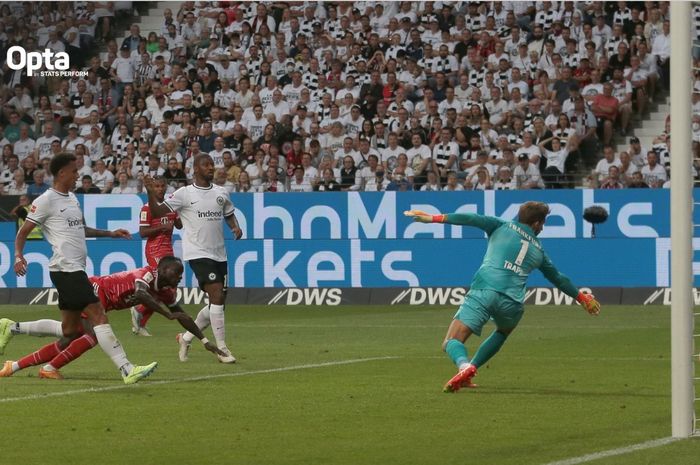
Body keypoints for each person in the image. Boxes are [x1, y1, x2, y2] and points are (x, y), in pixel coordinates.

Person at [404, 202, 601, 392]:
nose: (542, 228)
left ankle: (464, 367)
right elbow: (558, 278)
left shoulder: (501, 225)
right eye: (543, 223)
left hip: (485, 290)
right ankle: (470, 371)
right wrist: (581, 298)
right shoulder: (540, 251)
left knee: (451, 341)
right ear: (536, 224)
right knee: (503, 331)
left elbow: (471, 218)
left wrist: (433, 218)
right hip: (513, 304)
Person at [13, 153, 157, 385]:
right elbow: (23, 232)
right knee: (98, 314)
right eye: (74, 171)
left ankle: (12, 328)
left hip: (74, 270)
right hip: (66, 269)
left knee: (70, 331)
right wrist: (18, 256)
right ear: (61, 173)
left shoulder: (71, 198)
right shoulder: (46, 200)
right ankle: (126, 368)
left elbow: (81, 230)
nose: (77, 175)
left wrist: (110, 233)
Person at [0, 257, 225, 379]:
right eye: (176, 273)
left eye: (180, 275)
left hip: (101, 298)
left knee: (68, 333)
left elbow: (183, 316)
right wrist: (166, 313)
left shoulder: (166, 291)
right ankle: (49, 368)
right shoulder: (147, 274)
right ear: (163, 270)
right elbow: (140, 293)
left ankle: (14, 336)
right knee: (92, 335)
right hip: (96, 290)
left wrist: (205, 342)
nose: (179, 278)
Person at [144, 154, 243, 363]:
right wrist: (150, 192)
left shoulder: (221, 192)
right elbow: (157, 210)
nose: (211, 168)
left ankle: (186, 337)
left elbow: (228, 213)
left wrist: (234, 226)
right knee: (216, 295)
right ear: (195, 169)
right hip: (198, 253)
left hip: (220, 253)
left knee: (218, 303)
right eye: (206, 165)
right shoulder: (184, 193)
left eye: (211, 165)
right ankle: (222, 349)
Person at [131, 176, 183, 336]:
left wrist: (180, 213)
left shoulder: (171, 206)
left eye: (162, 186)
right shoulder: (147, 208)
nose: (160, 189)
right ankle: (139, 317)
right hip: (154, 251)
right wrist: (162, 227)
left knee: (169, 289)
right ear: (152, 188)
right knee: (163, 288)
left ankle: (139, 313)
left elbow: (179, 225)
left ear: (166, 187)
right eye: (157, 186)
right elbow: (142, 232)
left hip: (168, 251)